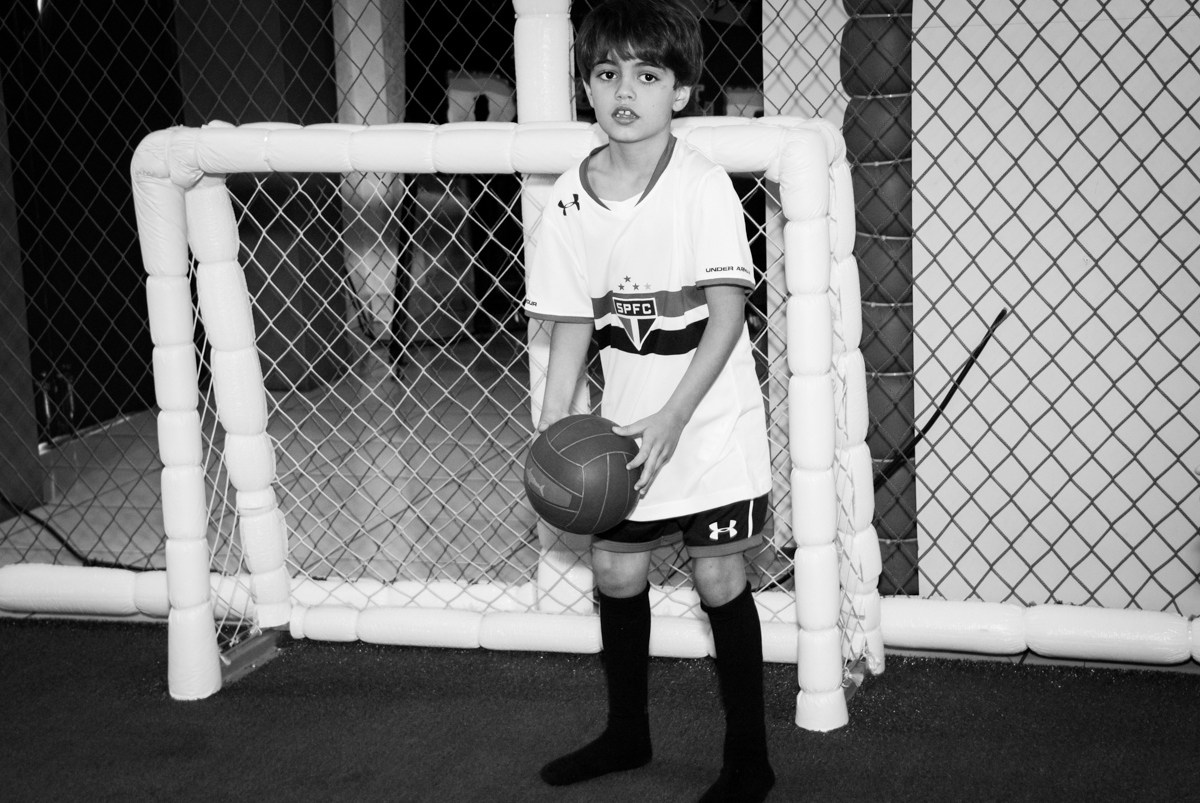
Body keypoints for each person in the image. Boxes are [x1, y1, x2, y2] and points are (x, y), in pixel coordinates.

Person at [522, 2, 775, 801]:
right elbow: (570, 319)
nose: (625, 90)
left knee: (719, 581)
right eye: (607, 73)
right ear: (587, 89)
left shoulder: (701, 186)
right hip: (628, 427)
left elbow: (729, 316)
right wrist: (557, 416)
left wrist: (674, 419)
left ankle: (749, 761)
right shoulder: (566, 197)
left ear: (682, 92)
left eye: (647, 73)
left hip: (707, 423)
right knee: (615, 568)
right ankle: (627, 732)